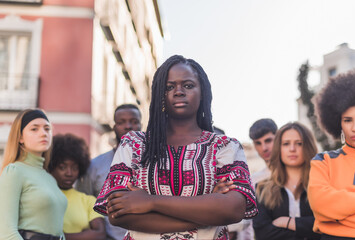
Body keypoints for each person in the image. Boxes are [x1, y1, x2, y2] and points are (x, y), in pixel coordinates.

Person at [93, 55, 258, 240]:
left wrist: (150, 201)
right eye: (169, 87)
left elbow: (233, 209)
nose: (178, 91)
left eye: (188, 85)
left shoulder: (225, 147)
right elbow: (117, 214)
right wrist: (207, 209)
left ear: (202, 91)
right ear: (159, 94)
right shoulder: (133, 144)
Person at [76, 103, 141, 239]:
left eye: (134, 121)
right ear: (114, 127)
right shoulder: (95, 165)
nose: (128, 126)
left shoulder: (154, 162)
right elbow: (84, 203)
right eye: (121, 122)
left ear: (141, 124)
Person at [0, 109, 67, 240]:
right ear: (20, 138)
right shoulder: (14, 171)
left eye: (47, 129)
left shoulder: (49, 178)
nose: (43, 134)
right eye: (34, 129)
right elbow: (6, 232)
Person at [308, 71, 355, 239]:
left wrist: (341, 211)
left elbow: (331, 207)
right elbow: (320, 204)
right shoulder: (323, 161)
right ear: (338, 122)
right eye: (348, 120)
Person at [253, 122, 320, 240]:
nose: (292, 149)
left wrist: (288, 222)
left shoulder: (323, 185)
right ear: (279, 148)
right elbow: (263, 234)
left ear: (307, 147)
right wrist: (309, 230)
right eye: (286, 144)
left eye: (299, 144)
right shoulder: (262, 189)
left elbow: (331, 226)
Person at [49, 133, 106, 240]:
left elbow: (100, 235)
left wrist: (58, 237)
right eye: (62, 167)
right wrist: (85, 235)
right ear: (52, 166)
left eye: (74, 168)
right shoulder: (42, 197)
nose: (69, 173)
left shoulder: (88, 201)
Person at [249, 118, 277, 183]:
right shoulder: (253, 180)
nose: (264, 148)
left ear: (278, 138)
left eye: (268, 141)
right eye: (258, 143)